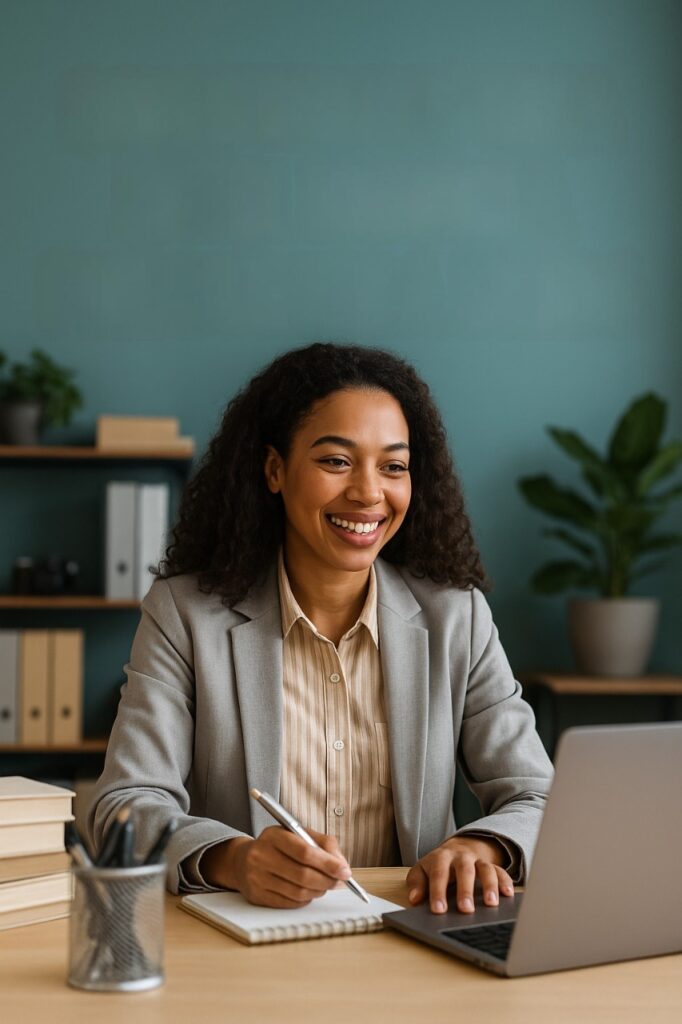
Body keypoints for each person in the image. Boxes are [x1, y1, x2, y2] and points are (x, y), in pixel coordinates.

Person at [88, 342, 553, 916]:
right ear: (275, 469)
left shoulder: (458, 617)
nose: (368, 492)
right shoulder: (185, 614)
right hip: (246, 943)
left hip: (413, 935)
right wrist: (232, 859)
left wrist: (481, 846)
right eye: (336, 461)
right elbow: (126, 803)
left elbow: (539, 794)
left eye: (394, 466)